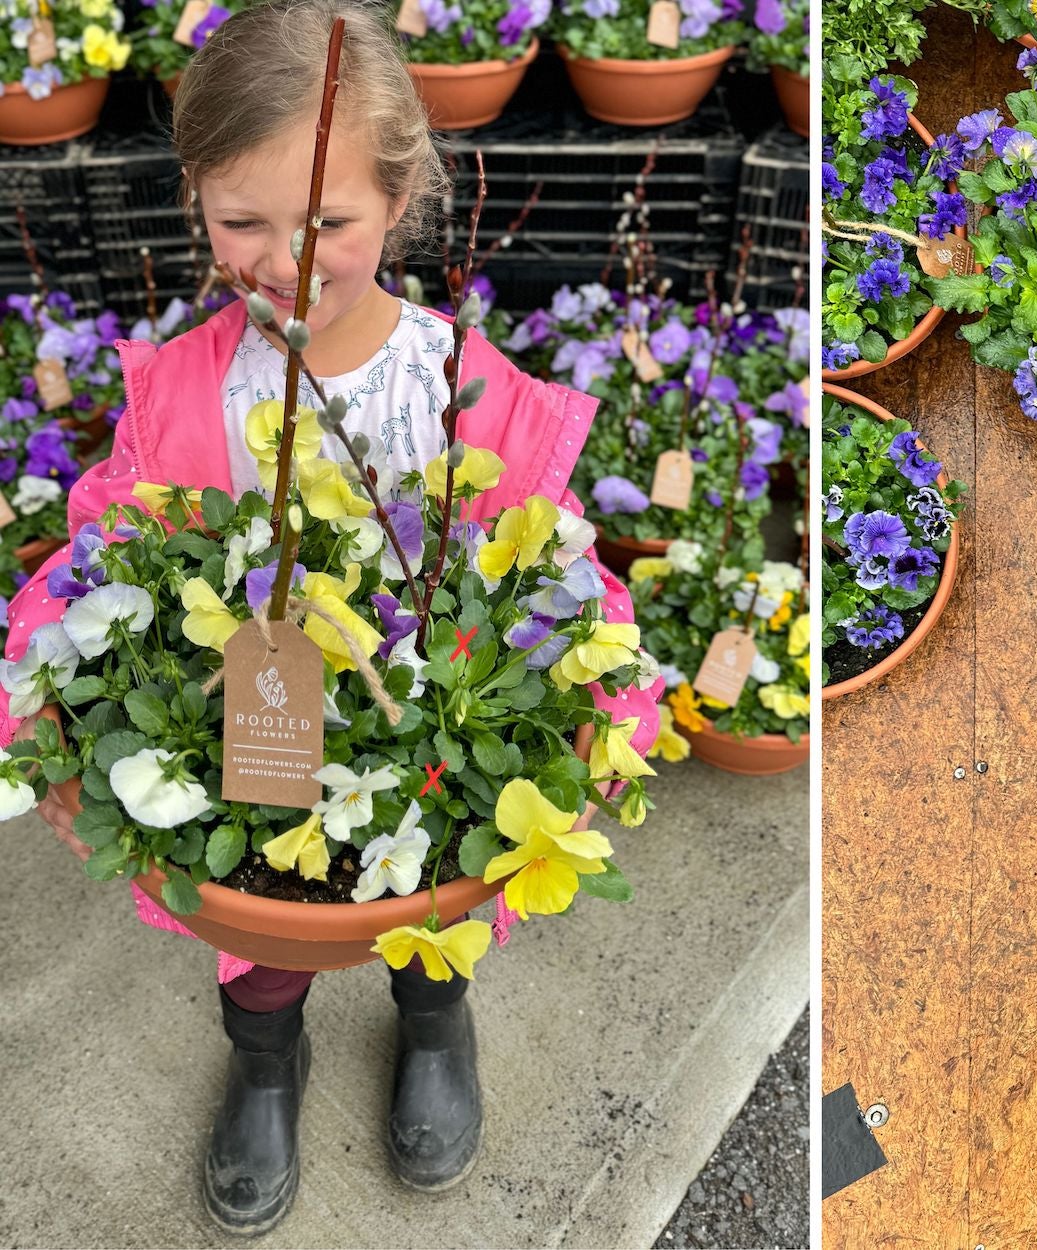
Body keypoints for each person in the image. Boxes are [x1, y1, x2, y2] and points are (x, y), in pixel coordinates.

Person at [0, 0, 660, 1234]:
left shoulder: (456, 385)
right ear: (193, 194)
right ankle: (264, 1055)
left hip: (420, 734)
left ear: (400, 199)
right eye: (239, 221)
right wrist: (38, 696)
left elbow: (562, 569)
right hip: (253, 727)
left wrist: (605, 711)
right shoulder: (189, 391)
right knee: (258, 919)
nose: (283, 262)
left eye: (329, 225)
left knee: (432, 907)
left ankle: (432, 1018)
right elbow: (99, 554)